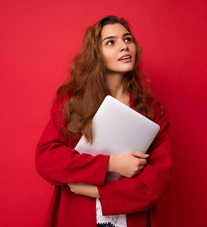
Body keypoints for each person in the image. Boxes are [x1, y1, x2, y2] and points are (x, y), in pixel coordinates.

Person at [35, 15, 172, 227]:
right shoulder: (72, 102)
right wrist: (112, 164)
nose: (124, 47)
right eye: (111, 42)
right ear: (96, 55)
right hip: (77, 215)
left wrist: (95, 190)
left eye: (128, 39)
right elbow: (47, 159)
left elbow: (155, 184)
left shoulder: (152, 110)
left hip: (131, 219)